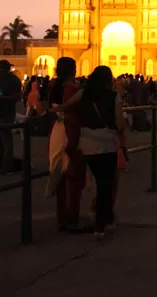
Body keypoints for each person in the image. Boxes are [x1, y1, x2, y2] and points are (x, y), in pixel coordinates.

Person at [71, 66, 125, 237]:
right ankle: (101, 223)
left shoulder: (83, 94)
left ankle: (104, 219)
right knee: (106, 182)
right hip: (107, 143)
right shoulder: (113, 96)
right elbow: (120, 124)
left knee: (100, 182)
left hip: (87, 144)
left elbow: (65, 106)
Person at [47, 57, 89, 233]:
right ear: (73, 70)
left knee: (60, 176)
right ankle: (71, 219)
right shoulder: (72, 89)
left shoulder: (52, 87)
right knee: (74, 175)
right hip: (70, 131)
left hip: (56, 131)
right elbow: (74, 112)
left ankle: (62, 218)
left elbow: (45, 109)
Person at [0, 60, 22, 173]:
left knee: (6, 140)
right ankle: (1, 162)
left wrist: (1, 98)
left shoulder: (14, 81)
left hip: (7, 113)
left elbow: (18, 97)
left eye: (0, 70)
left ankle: (7, 165)